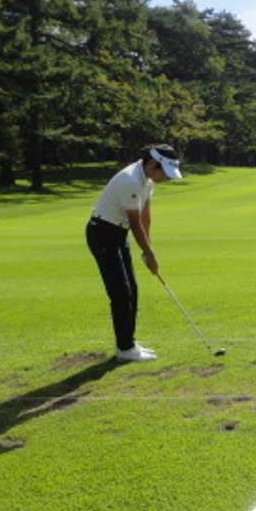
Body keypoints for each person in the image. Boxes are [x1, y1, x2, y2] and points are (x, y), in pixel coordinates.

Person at [86, 144, 183, 362]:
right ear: (151, 164)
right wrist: (149, 254)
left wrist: (149, 249)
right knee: (121, 292)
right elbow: (135, 223)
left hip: (119, 234)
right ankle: (125, 349)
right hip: (103, 234)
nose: (165, 178)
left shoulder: (148, 179)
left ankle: (128, 343)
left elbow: (145, 215)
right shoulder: (130, 180)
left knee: (132, 289)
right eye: (164, 173)